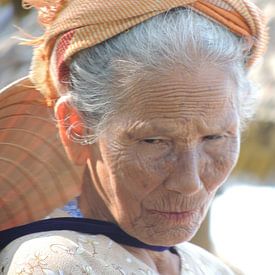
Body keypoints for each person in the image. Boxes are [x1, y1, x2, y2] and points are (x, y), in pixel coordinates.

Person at [0, 0, 268, 274]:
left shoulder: (211, 268)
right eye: (153, 142)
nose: (188, 182)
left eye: (215, 138)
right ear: (76, 126)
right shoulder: (55, 262)